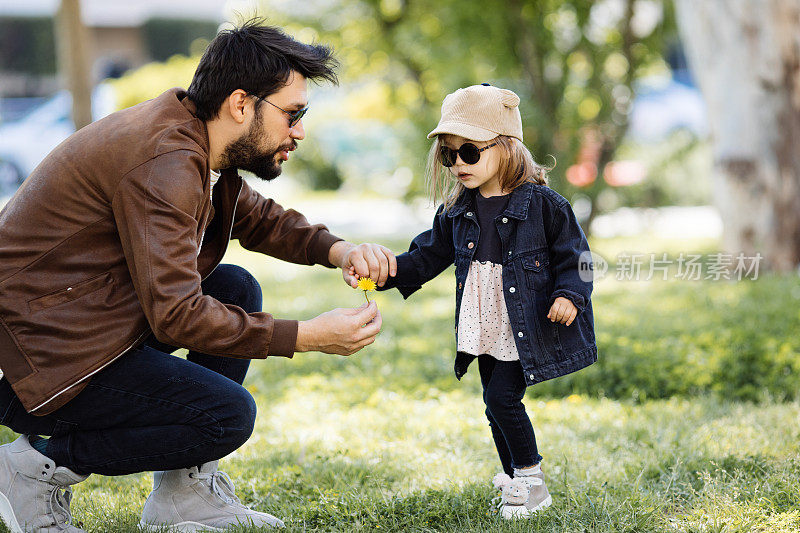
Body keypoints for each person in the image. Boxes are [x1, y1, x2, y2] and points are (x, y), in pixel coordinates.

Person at [0, 21, 396, 532]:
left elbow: (254, 217)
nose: (299, 131)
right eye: (293, 114)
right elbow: (177, 316)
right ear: (240, 104)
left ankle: (184, 497)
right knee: (226, 416)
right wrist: (307, 337)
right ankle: (29, 470)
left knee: (235, 287)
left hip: (74, 325)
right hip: (32, 361)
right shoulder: (163, 161)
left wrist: (339, 250)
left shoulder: (193, 135)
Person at [373, 84, 597, 519]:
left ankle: (532, 482)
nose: (457, 164)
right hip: (485, 320)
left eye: (469, 152)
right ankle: (515, 479)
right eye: (448, 155)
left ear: (506, 147)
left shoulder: (546, 206)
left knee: (501, 399)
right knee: (493, 405)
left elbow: (579, 259)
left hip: (524, 321)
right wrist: (383, 273)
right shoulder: (457, 209)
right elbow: (426, 256)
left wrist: (570, 294)